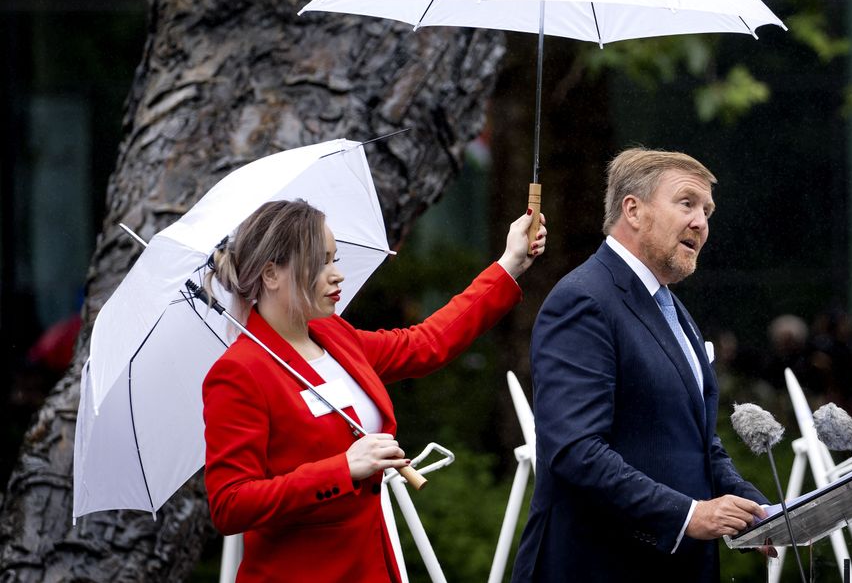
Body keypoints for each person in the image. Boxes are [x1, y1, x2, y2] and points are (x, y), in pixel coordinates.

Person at [202, 199, 546, 582]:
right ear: (271, 275)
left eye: (335, 259)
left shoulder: (335, 334)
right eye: (321, 263)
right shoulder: (238, 372)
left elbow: (424, 344)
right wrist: (343, 468)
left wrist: (508, 264)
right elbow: (230, 504)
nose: (337, 276)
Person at [511, 149, 770, 583]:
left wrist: (754, 507)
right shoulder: (583, 300)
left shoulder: (673, 309)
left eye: (707, 211)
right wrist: (688, 515)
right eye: (686, 203)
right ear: (633, 209)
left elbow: (697, 441)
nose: (701, 222)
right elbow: (575, 451)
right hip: (600, 566)